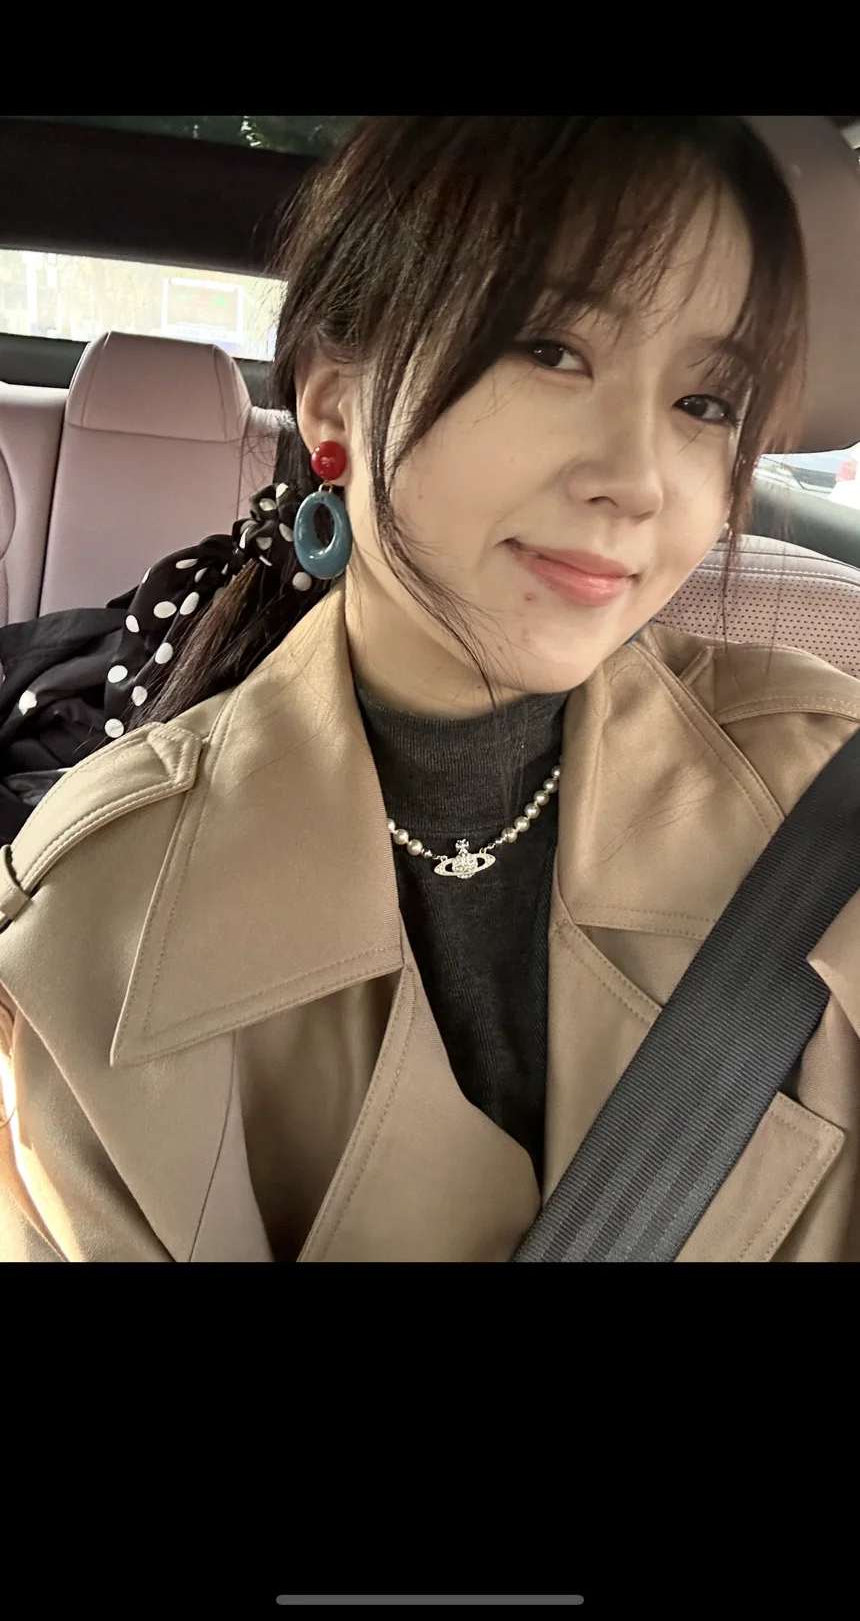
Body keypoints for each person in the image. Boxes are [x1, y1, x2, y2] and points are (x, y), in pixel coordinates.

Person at [2, 114, 860, 1264]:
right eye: (550, 349)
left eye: (705, 405)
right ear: (333, 407)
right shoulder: (90, 929)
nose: (637, 480)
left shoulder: (825, 802)